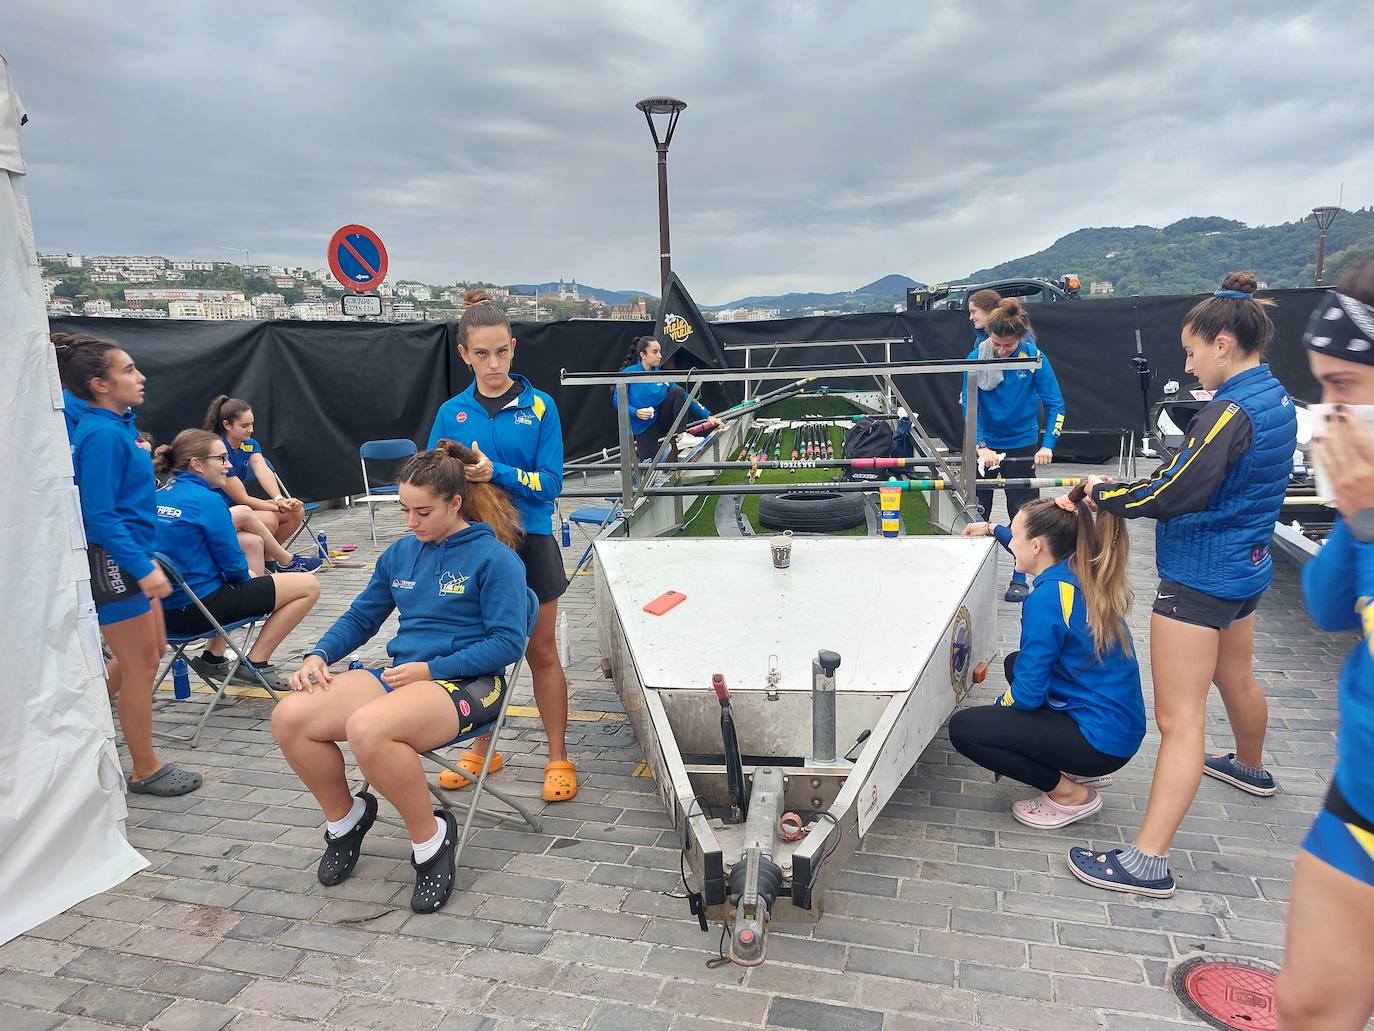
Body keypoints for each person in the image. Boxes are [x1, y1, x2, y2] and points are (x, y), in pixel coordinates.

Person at [1067, 272, 1298, 898]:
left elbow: (1175, 491)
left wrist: (1104, 493)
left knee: (1179, 720)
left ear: (1222, 344)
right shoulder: (1274, 395)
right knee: (1237, 678)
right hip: (1246, 567)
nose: (1187, 363)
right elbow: (1204, 475)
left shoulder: (1230, 410)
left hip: (1201, 578)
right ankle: (1250, 767)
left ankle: (1148, 860)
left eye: (1192, 351)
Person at [270, 441, 528, 914]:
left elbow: (507, 645)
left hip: (470, 682)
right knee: (290, 717)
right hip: (405, 677)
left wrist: (433, 669)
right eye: (404, 509)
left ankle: (430, 843)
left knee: (368, 727)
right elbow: (361, 618)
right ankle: (346, 820)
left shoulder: (497, 559)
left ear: (455, 502)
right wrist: (318, 654)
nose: (411, 522)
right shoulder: (400, 554)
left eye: (422, 511)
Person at [425, 289, 577, 802]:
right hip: (476, 549)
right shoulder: (451, 412)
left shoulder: (541, 406)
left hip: (532, 541)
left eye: (502, 352)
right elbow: (436, 480)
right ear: (464, 355)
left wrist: (498, 473)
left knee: (541, 651)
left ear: (514, 348)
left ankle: (558, 757)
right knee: (476, 652)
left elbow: (552, 484)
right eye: (481, 354)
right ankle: (481, 748)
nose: (493, 364)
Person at [1274, 261, 1374, 1030]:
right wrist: (1355, 515)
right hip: (1361, 788)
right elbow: (1327, 603)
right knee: (1307, 1006)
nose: (1329, 411)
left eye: (1344, 385)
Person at [56, 332, 202, 796]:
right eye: (128, 371)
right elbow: (98, 514)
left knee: (148, 654)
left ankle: (71, 723)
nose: (140, 377)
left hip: (133, 556)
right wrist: (140, 566)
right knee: (139, 664)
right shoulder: (99, 433)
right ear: (100, 383)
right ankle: (145, 768)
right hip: (116, 562)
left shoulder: (117, 426)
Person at [952, 484, 1143, 828]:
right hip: (1117, 728)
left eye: (1016, 538)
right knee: (1015, 663)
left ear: (1037, 546)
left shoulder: (1045, 599)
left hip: (1100, 742)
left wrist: (999, 716)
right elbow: (1024, 543)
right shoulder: (1078, 567)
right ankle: (1072, 765)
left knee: (968, 729)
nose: (1012, 544)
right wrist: (993, 529)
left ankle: (1069, 794)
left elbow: (1027, 695)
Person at [154, 430, 320, 691]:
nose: (229, 465)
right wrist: (253, 579)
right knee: (307, 586)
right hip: (196, 612)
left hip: (161, 614)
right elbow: (234, 569)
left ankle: (213, 657)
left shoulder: (158, 496)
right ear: (197, 464)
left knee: (251, 545)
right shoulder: (208, 501)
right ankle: (255, 662)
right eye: (221, 459)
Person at [962, 295, 1066, 602]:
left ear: (1019, 339)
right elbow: (969, 406)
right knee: (974, 510)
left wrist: (1047, 445)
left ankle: (1020, 575)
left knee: (1022, 515)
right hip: (985, 445)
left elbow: (1056, 403)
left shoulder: (1035, 358)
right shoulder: (975, 357)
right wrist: (980, 446)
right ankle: (972, 577)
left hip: (1022, 443)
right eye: (997, 344)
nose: (1002, 350)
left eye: (1009, 346)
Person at [202, 395, 319, 572]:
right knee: (270, 518)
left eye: (252, 424)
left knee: (297, 511)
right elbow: (243, 498)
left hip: (238, 506)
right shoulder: (218, 449)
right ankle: (276, 562)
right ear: (227, 425)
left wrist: (279, 498)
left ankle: (269, 561)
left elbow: (261, 468)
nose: (251, 430)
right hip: (219, 510)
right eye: (245, 425)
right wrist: (278, 506)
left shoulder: (249, 444)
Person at [613, 335, 723, 462]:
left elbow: (685, 396)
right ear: (643, 355)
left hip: (661, 420)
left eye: (660, 351)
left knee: (677, 391)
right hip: (642, 427)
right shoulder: (628, 373)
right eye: (655, 352)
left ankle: (682, 437)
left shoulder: (660, 375)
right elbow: (617, 401)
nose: (659, 355)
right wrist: (635, 412)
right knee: (648, 466)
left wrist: (708, 415)